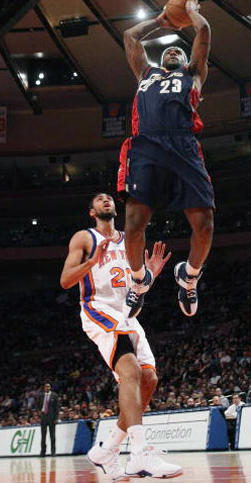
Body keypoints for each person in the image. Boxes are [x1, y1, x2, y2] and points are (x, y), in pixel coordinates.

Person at [60, 193, 182, 479]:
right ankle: (139, 453)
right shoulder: (84, 238)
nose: (106, 200)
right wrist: (93, 262)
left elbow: (135, 291)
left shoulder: (130, 239)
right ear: (92, 211)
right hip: (98, 310)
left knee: (149, 379)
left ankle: (107, 449)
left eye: (108, 198)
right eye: (99, 199)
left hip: (127, 314)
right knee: (130, 372)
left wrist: (148, 276)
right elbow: (66, 280)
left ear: (115, 208)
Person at [119, 0, 215, 318]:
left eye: (179, 49)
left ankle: (188, 277)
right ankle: (138, 281)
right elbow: (130, 36)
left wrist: (191, 13)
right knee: (133, 226)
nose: (173, 50)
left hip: (184, 146)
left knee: (204, 226)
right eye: (168, 49)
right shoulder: (145, 73)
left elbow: (204, 34)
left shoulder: (194, 74)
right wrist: (160, 22)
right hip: (146, 147)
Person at [38, 382, 60, 457]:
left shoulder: (55, 396)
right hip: (43, 417)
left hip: (52, 418)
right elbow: (37, 405)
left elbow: (57, 408)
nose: (47, 388)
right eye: (46, 387)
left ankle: (53, 451)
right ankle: (42, 452)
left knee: (52, 436)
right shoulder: (41, 396)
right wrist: (40, 411)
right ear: (44, 388)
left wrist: (56, 418)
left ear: (50, 387)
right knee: (43, 436)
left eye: (48, 386)